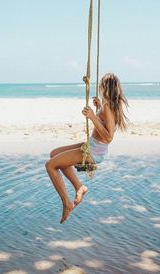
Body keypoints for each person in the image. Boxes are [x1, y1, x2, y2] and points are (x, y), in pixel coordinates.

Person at [45, 73, 129, 223]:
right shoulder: (107, 105)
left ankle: (67, 203)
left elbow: (109, 137)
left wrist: (92, 116)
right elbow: (104, 123)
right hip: (93, 146)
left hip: (93, 151)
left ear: (104, 87)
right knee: (54, 154)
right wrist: (98, 110)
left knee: (50, 165)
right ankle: (79, 187)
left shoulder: (108, 106)